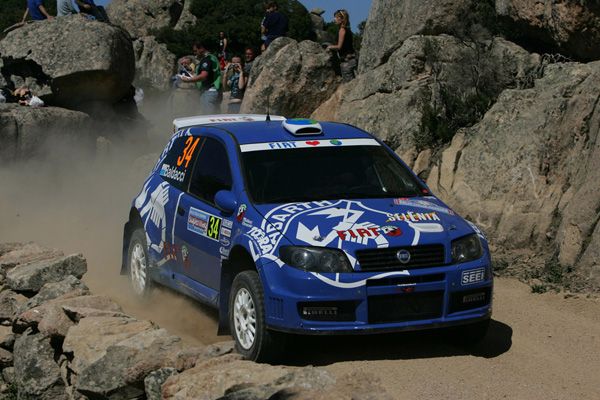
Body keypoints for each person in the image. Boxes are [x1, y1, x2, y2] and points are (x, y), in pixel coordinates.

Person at [181, 42, 223, 115]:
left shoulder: (207, 59)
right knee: (215, 116)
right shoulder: (212, 58)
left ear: (201, 49)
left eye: (195, 51)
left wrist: (188, 80)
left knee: (208, 119)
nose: (195, 53)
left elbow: (203, 76)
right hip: (214, 91)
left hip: (209, 92)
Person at [327, 9, 357, 82]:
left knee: (349, 86)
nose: (335, 19)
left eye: (337, 17)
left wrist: (330, 47)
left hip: (347, 62)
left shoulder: (342, 30)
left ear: (343, 19)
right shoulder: (348, 30)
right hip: (352, 59)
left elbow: (339, 46)